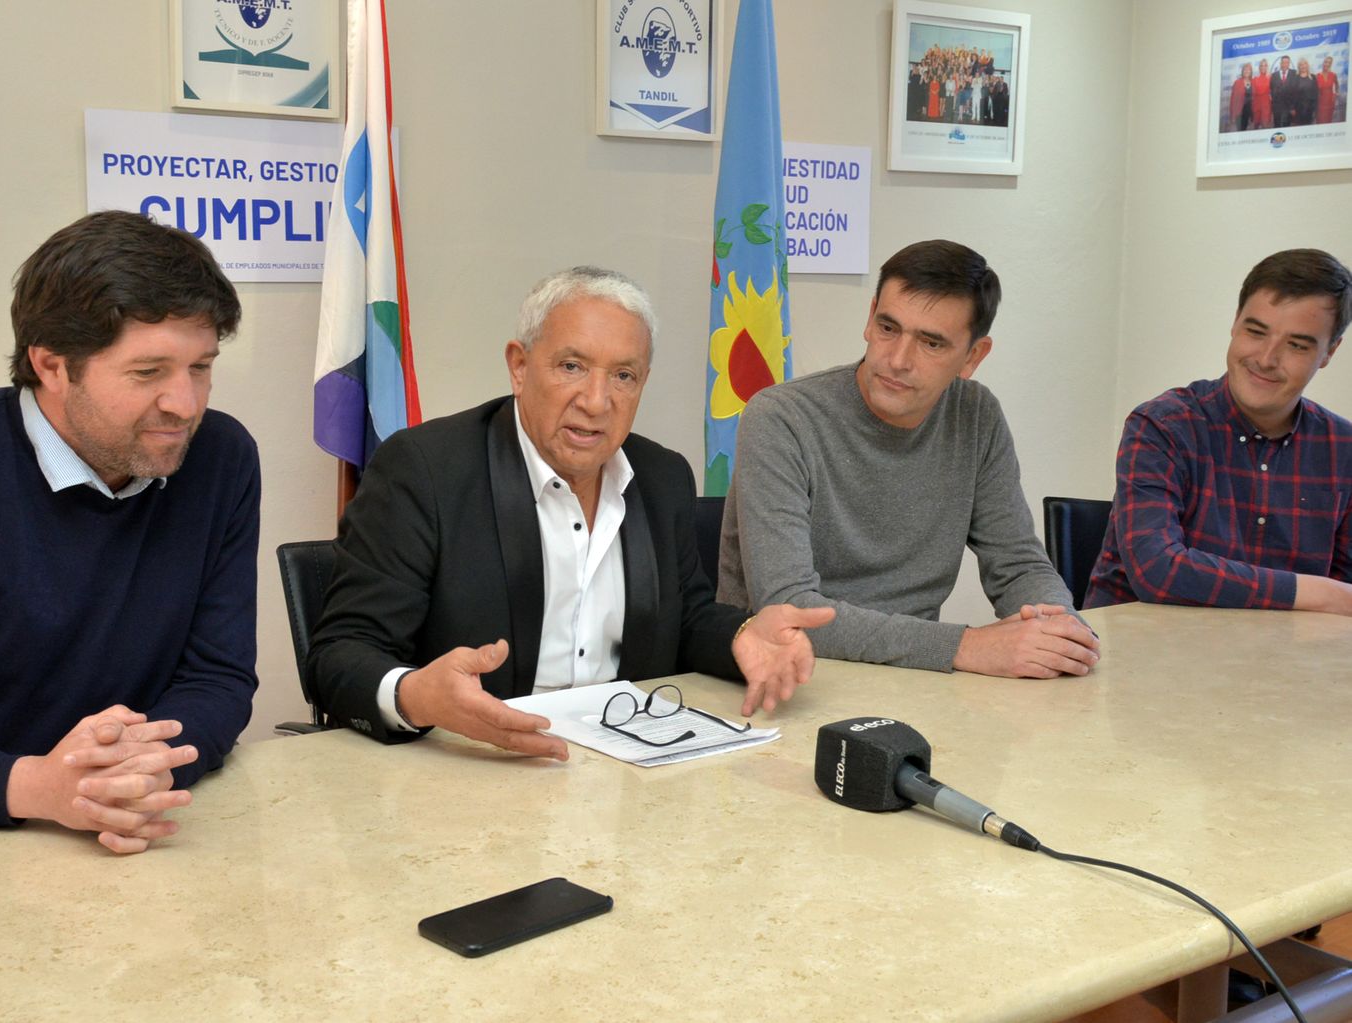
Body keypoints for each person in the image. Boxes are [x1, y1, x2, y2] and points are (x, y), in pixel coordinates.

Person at [0, 211, 260, 853]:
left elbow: (218, 679)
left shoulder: (220, 458)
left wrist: (138, 773)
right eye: (147, 372)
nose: (185, 404)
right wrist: (44, 788)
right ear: (50, 365)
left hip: (139, 828)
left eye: (201, 366)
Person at [309, 267, 833, 758]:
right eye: (571, 366)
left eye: (623, 375)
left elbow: (684, 617)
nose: (597, 400)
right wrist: (416, 695)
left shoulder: (662, 477)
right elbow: (340, 653)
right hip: (474, 767)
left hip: (627, 774)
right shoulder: (426, 470)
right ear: (519, 366)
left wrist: (741, 636)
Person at [717, 240, 1100, 680]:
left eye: (931, 343)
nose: (898, 360)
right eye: (888, 328)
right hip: (788, 679)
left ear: (973, 356)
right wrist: (965, 645)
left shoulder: (976, 415)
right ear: (869, 316)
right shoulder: (780, 417)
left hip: (916, 680)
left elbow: (1018, 565)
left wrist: (1061, 632)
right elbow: (789, 609)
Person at [1087, 249, 1352, 614]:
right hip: (1143, 655)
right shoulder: (1162, 426)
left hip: (1281, 660)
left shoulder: (1344, 448)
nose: (1266, 358)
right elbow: (1158, 571)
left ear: (1329, 352)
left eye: (1296, 345)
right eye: (1255, 332)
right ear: (1234, 323)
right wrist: (1317, 593)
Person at [1270, 55, 1296, 127]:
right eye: (1283, 62)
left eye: (1287, 62)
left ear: (1289, 63)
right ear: (1280, 63)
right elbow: (1272, 91)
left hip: (1289, 108)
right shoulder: (1274, 75)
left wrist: (1293, 107)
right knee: (1277, 127)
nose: (1284, 64)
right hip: (1277, 109)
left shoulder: (1295, 73)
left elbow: (1296, 92)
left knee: (1287, 128)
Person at [1293, 58, 1319, 126]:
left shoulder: (1313, 77)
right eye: (1301, 65)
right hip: (1298, 110)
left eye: (1305, 64)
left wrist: (1315, 109)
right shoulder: (1295, 78)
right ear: (1299, 67)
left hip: (1310, 109)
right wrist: (1292, 108)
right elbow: (1292, 95)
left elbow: (1316, 94)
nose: (1303, 66)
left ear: (1307, 65)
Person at [1317, 55, 1340, 124]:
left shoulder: (1333, 75)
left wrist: (1336, 93)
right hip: (1320, 103)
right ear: (1323, 63)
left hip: (1330, 102)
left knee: (1328, 121)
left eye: (1329, 63)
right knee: (1320, 121)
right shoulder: (1317, 76)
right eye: (1325, 62)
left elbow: (1337, 84)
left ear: (1331, 64)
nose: (1326, 64)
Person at [1230, 63, 1252, 132]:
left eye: (1248, 70)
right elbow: (1232, 100)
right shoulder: (1237, 82)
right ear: (1242, 71)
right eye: (1245, 69)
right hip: (1239, 113)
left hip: (1250, 113)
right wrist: (1232, 115)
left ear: (1251, 72)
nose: (1247, 71)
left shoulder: (1253, 82)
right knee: (1241, 131)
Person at [1251, 58, 1273, 130]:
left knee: (1265, 127)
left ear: (1267, 67)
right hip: (1256, 106)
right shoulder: (1254, 79)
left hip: (1266, 106)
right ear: (1259, 67)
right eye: (1261, 65)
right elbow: (1252, 95)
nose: (1263, 67)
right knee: (1255, 128)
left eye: (1265, 65)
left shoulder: (1271, 78)